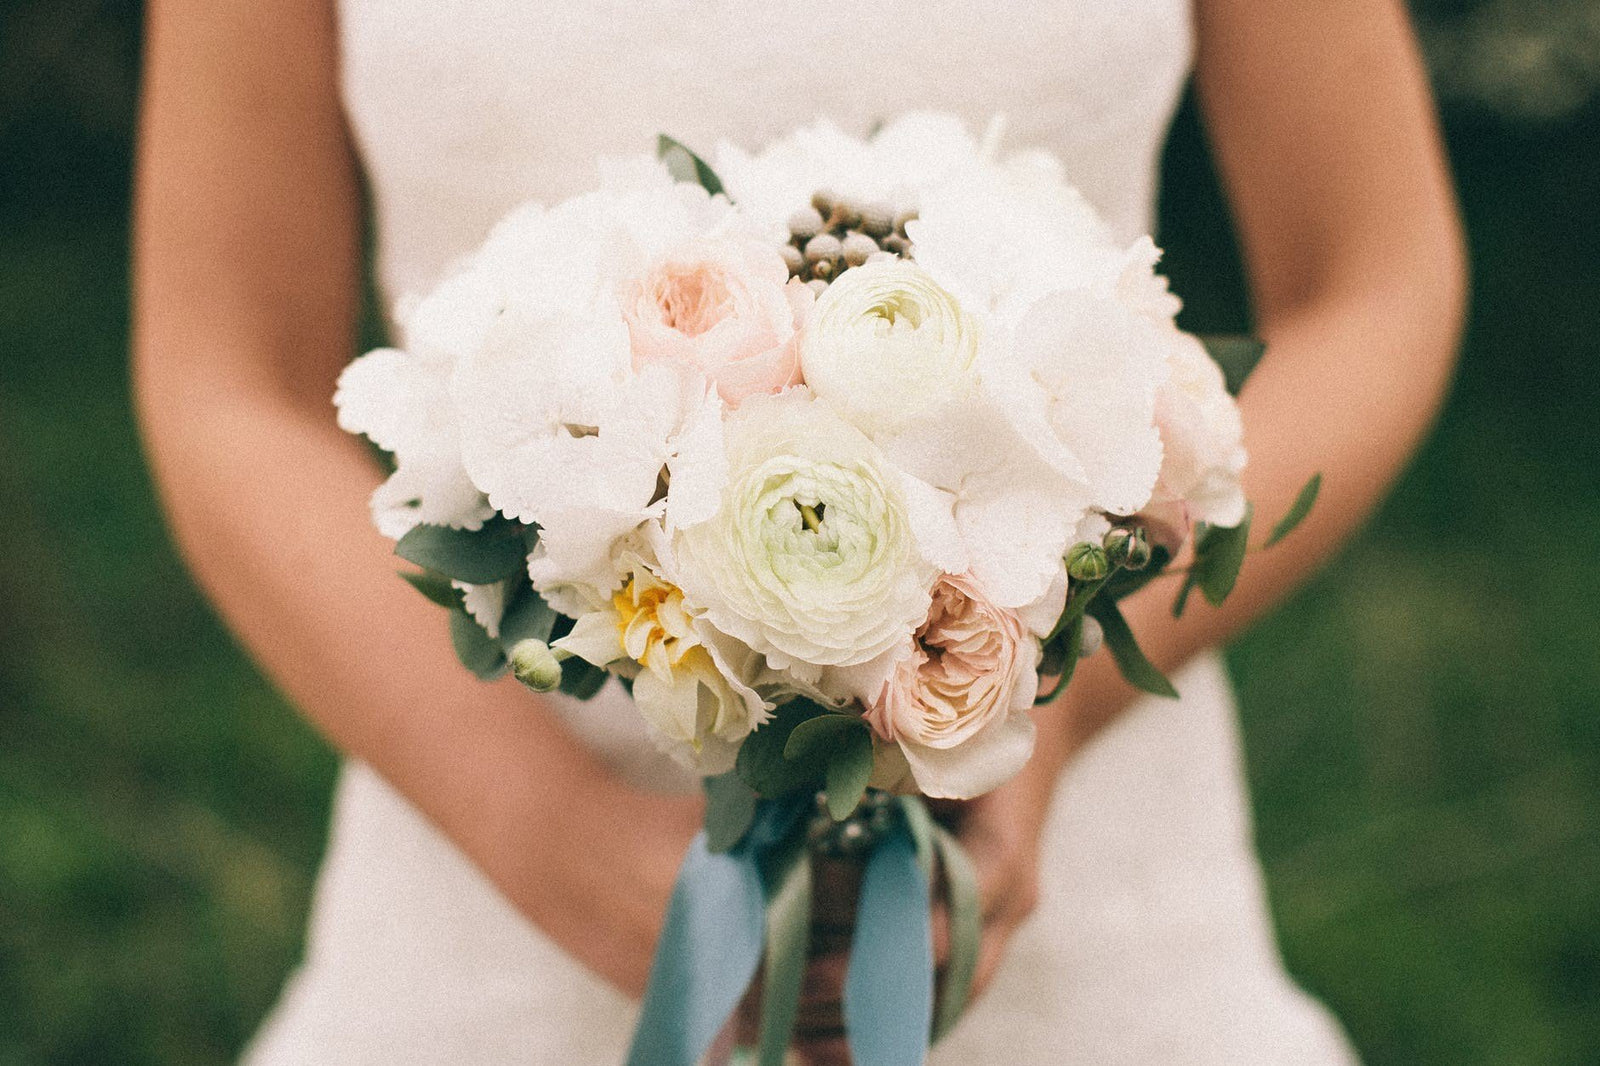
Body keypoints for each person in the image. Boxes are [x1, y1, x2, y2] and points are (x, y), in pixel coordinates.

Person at [132, 0, 1464, 1062]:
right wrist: (540, 825)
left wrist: (1034, 709)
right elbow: (227, 379)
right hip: (482, 904)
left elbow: (1375, 277)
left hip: (1088, 893)